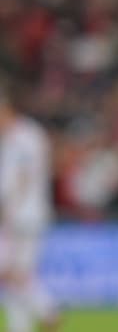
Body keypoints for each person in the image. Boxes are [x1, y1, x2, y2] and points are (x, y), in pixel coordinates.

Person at [0, 83, 59, 332]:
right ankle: (19, 327)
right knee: (15, 275)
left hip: (24, 216)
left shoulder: (26, 136)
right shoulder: (12, 137)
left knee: (10, 272)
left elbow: (25, 177)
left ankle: (48, 308)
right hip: (17, 215)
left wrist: (9, 210)